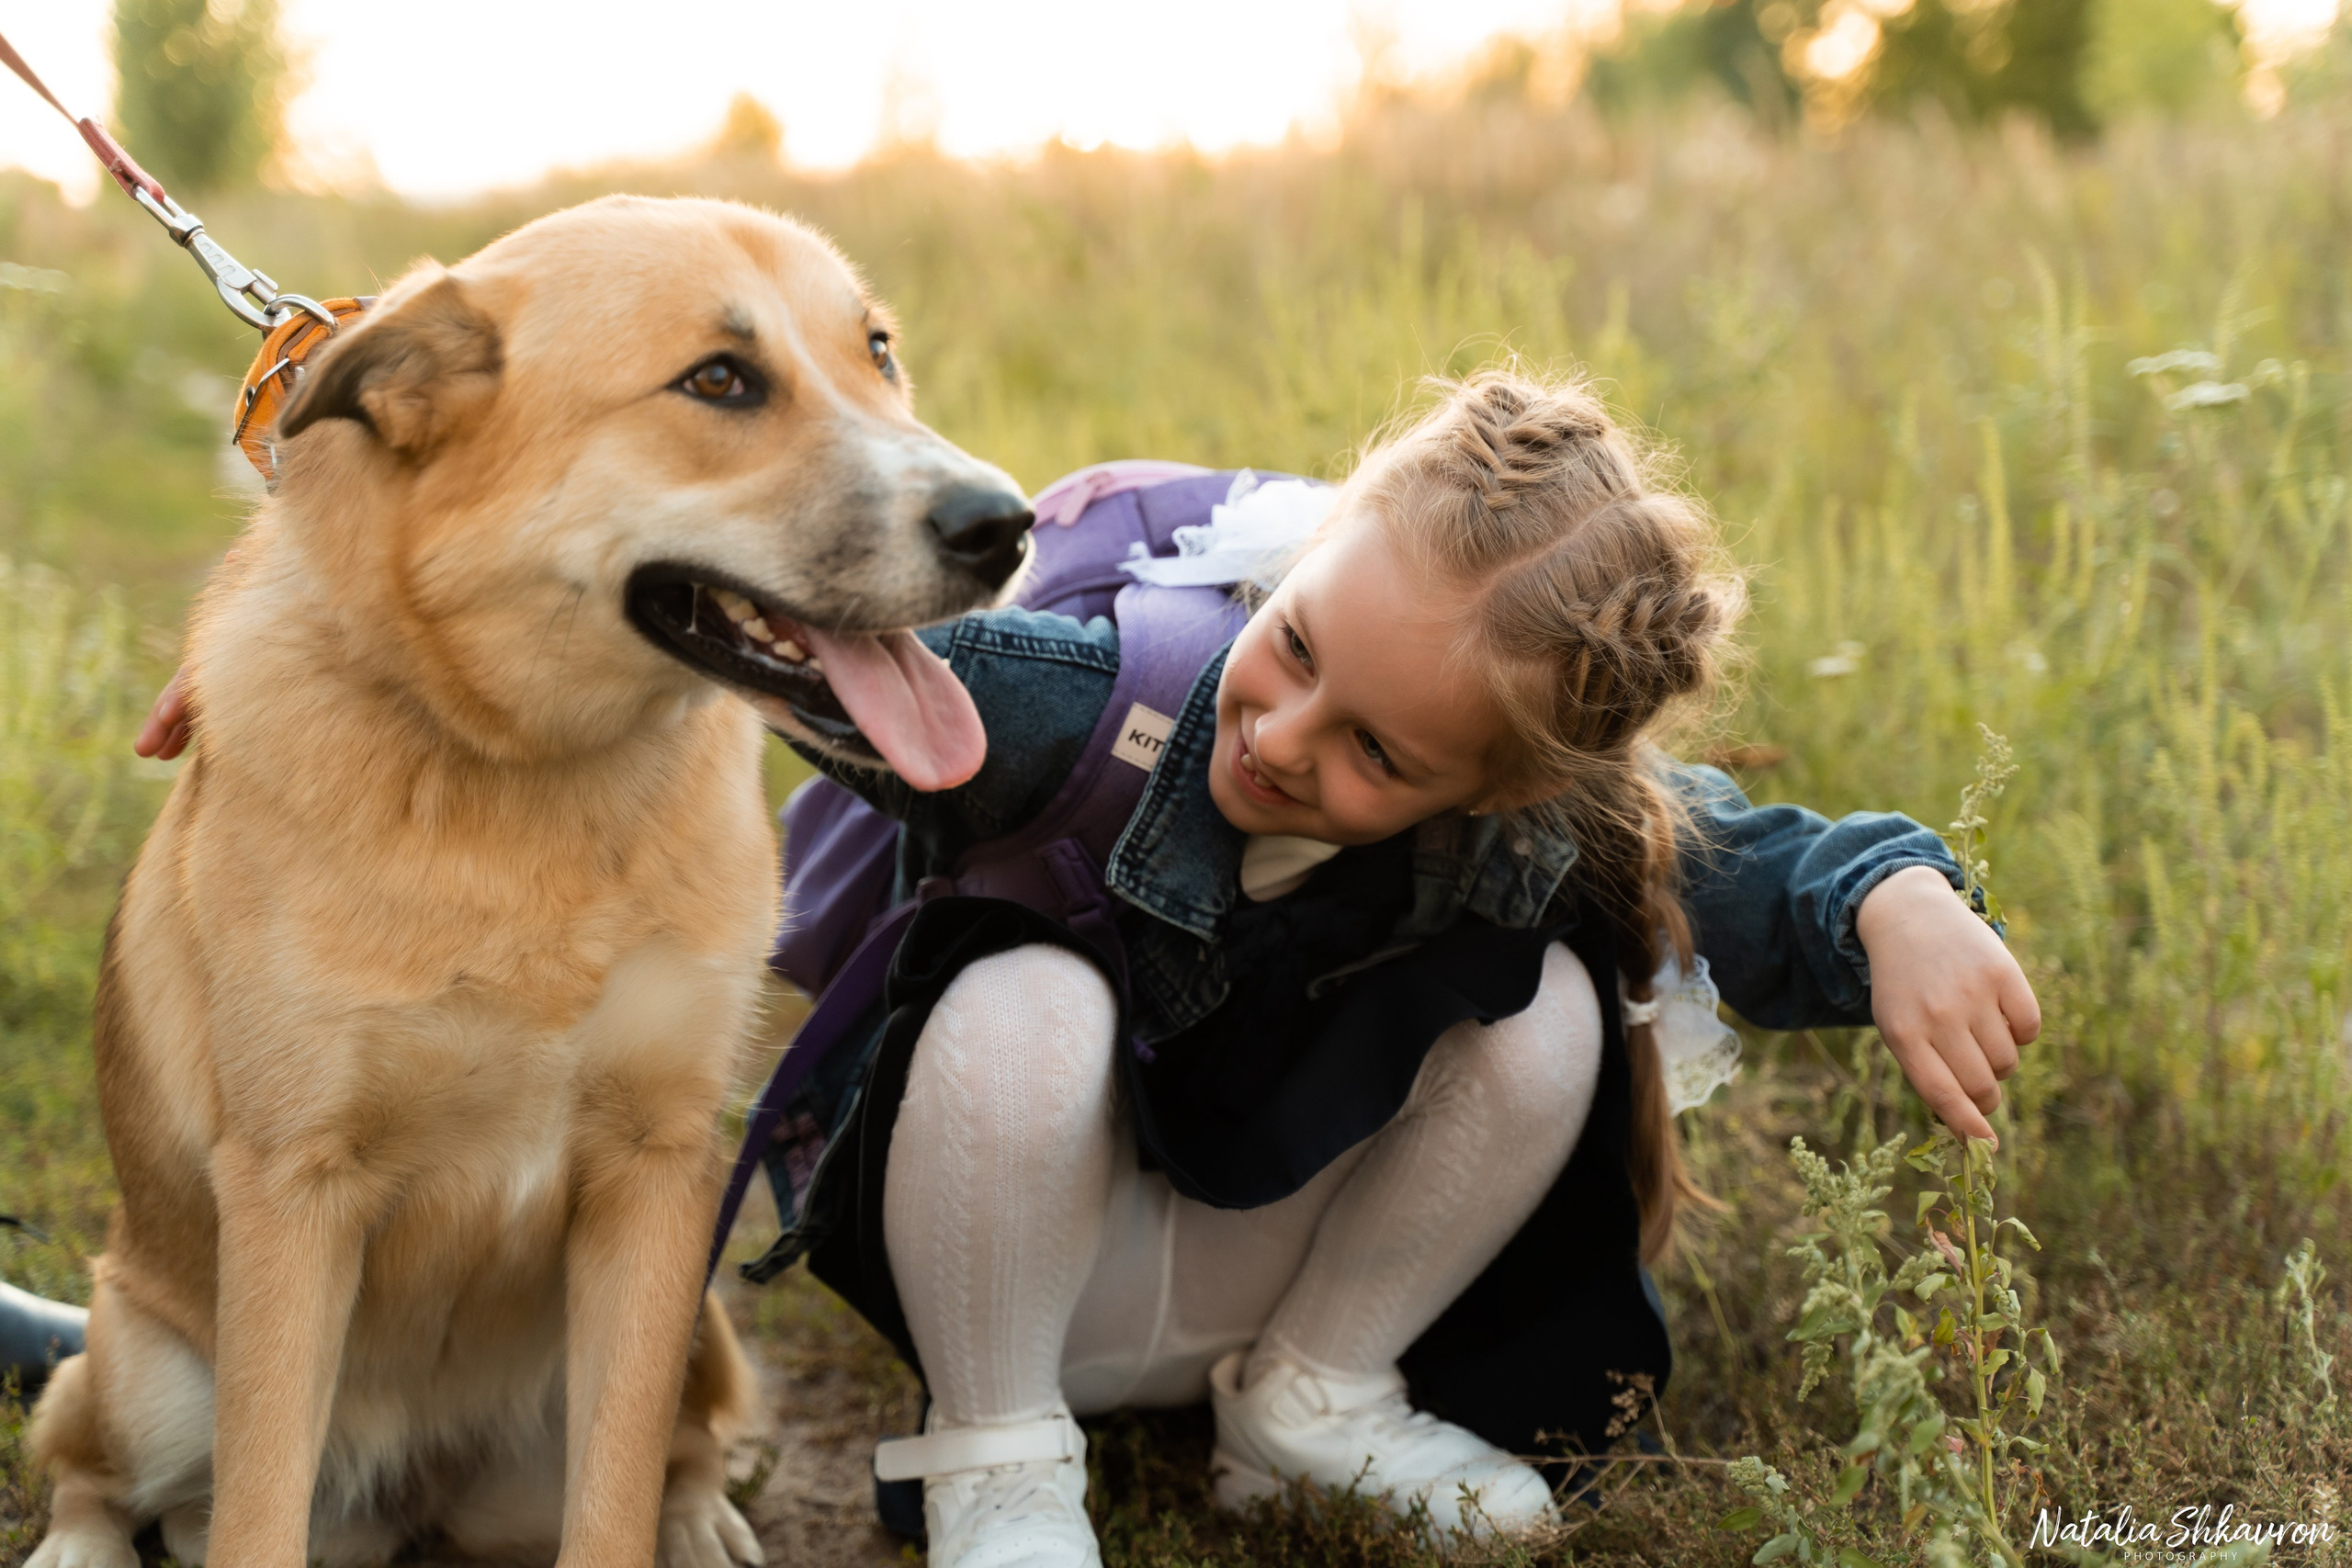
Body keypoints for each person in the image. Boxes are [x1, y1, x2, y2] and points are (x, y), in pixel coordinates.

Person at [120, 369, 2038, 1568]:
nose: (1286, 739)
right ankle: (997, 1462)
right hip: (1010, 1249)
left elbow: (1747, 851)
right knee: (1029, 993)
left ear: (1496, 778)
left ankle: (1313, 1403)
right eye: (1289, 650)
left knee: (1542, 1007)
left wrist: (1897, 904)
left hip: (1242, 1253)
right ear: (1282, 572)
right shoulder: (1081, 705)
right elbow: (760, 652)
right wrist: (371, 642)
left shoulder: (1541, 811)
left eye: (1378, 750)